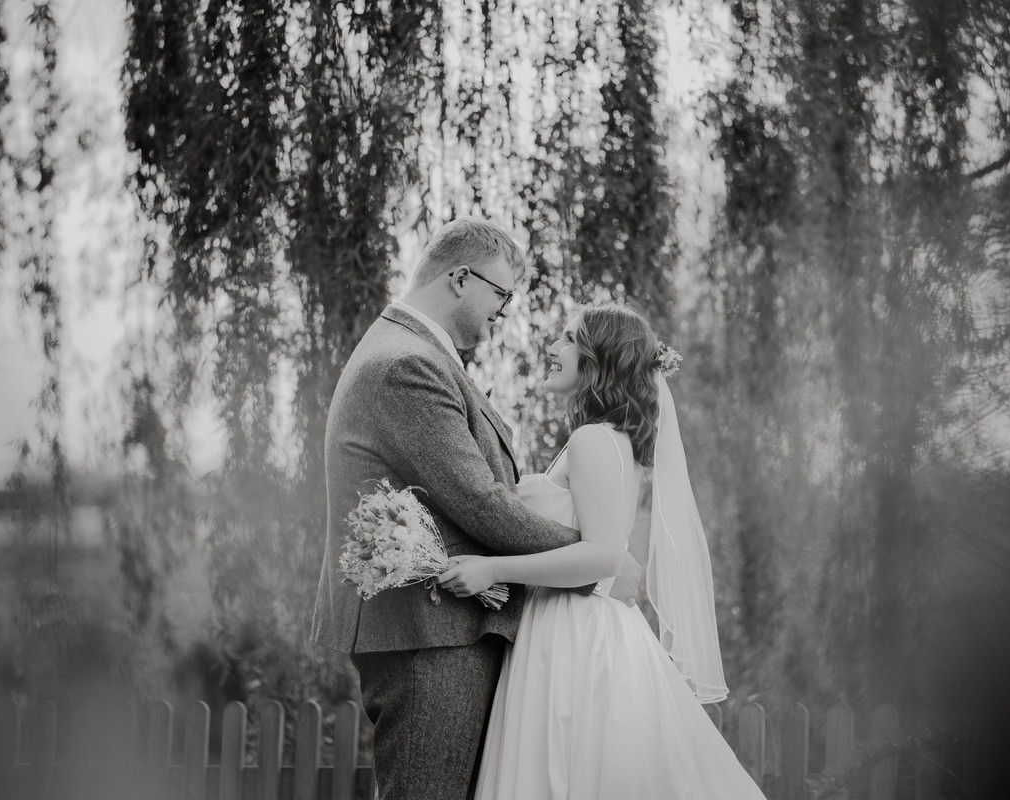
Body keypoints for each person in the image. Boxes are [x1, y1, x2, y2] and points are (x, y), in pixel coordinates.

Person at [310, 218, 640, 800]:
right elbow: (481, 502)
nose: (505, 311)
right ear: (461, 278)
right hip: (431, 635)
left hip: (442, 630)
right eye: (502, 294)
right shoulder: (405, 364)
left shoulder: (411, 353)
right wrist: (598, 558)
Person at [437, 303, 767, 799]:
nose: (552, 348)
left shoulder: (594, 440)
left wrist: (492, 569)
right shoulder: (608, 440)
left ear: (598, 360)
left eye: (568, 339)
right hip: (569, 621)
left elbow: (602, 558)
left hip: (575, 631)